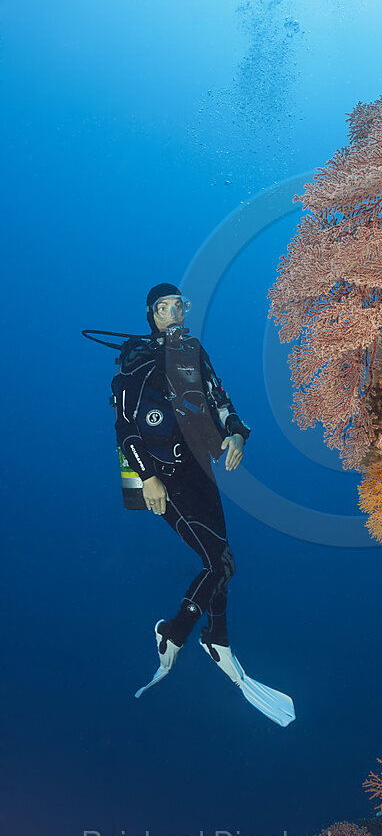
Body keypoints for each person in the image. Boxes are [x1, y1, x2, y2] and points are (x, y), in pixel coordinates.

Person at [113, 283, 295, 727]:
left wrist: (236, 434)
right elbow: (123, 427)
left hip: (200, 470)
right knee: (219, 562)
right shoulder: (137, 362)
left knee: (224, 560)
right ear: (152, 314)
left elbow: (220, 397)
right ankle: (175, 633)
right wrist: (147, 478)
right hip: (164, 478)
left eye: (179, 305)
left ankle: (217, 639)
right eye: (163, 307)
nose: (173, 313)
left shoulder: (195, 352)